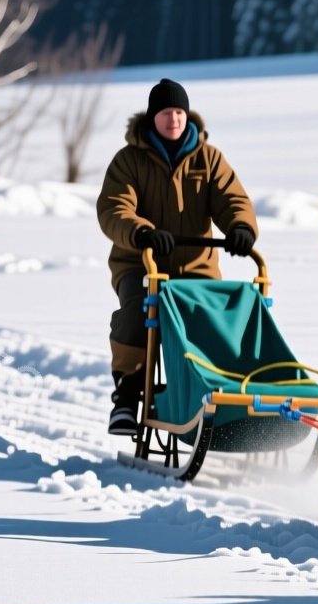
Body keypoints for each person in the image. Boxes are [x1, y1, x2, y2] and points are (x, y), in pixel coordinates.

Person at [97, 79, 258, 436]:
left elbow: (233, 199)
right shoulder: (129, 160)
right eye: (166, 113)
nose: (173, 119)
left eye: (179, 112)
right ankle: (127, 394)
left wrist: (241, 228)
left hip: (196, 270)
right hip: (141, 264)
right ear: (152, 117)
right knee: (137, 314)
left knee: (217, 319)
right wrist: (142, 232)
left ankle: (221, 394)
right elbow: (113, 208)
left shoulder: (209, 158)